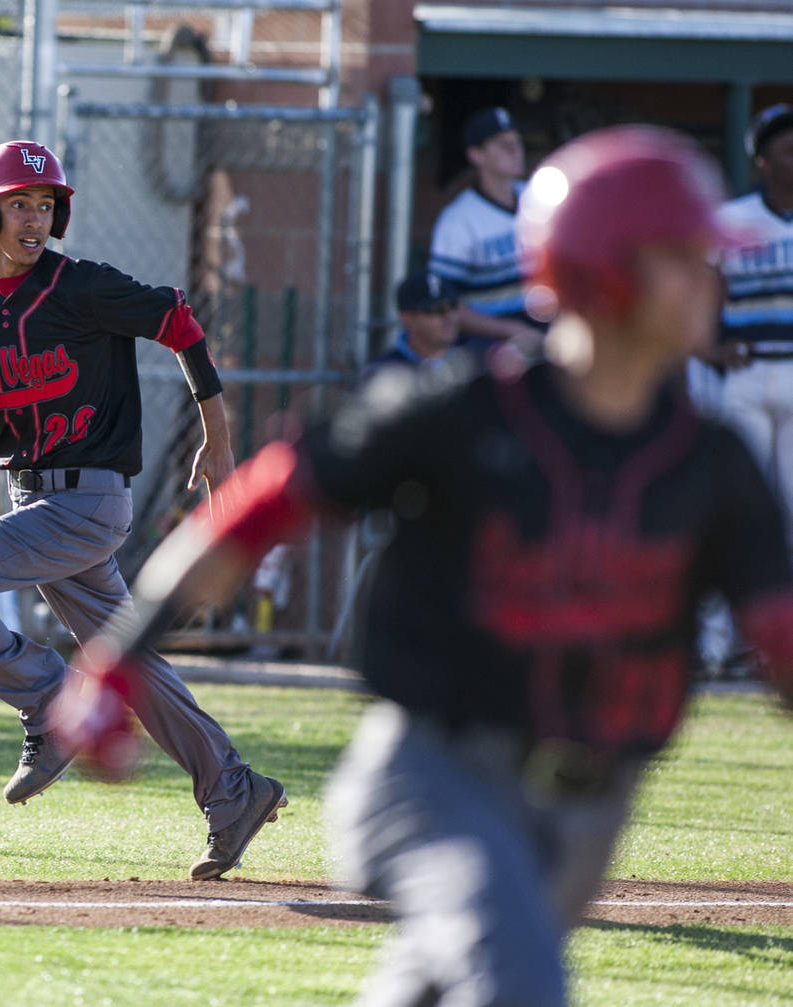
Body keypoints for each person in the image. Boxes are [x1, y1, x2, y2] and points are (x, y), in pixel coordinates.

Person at [49, 125, 793, 1005]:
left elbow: (778, 633)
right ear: (606, 268)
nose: (715, 277)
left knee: (442, 984)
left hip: (592, 803)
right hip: (434, 773)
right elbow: (265, 506)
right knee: (518, 980)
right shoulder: (466, 416)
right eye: (686, 256)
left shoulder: (712, 461)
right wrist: (113, 665)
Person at [0, 139, 286, 881]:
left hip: (90, 501)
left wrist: (218, 441)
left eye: (43, 205)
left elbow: (179, 324)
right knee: (126, 659)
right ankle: (234, 789)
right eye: (18, 205)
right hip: (32, 496)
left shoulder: (80, 285)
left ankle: (49, 700)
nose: (33, 219)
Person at [689, 103, 793, 678]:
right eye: (786, 148)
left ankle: (778, 649)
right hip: (747, 376)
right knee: (733, 509)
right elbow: (696, 294)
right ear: (761, 159)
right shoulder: (733, 221)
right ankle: (714, 643)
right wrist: (708, 350)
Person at [428, 106, 545, 361]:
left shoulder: (541, 199)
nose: (516, 151)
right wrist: (512, 330)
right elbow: (445, 305)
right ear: (476, 155)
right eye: (503, 145)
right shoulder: (458, 220)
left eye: (517, 143)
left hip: (546, 335)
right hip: (488, 348)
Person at [364, 269, 462, 377]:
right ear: (407, 319)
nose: (448, 316)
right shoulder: (383, 373)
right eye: (437, 309)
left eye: (453, 306)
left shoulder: (474, 359)